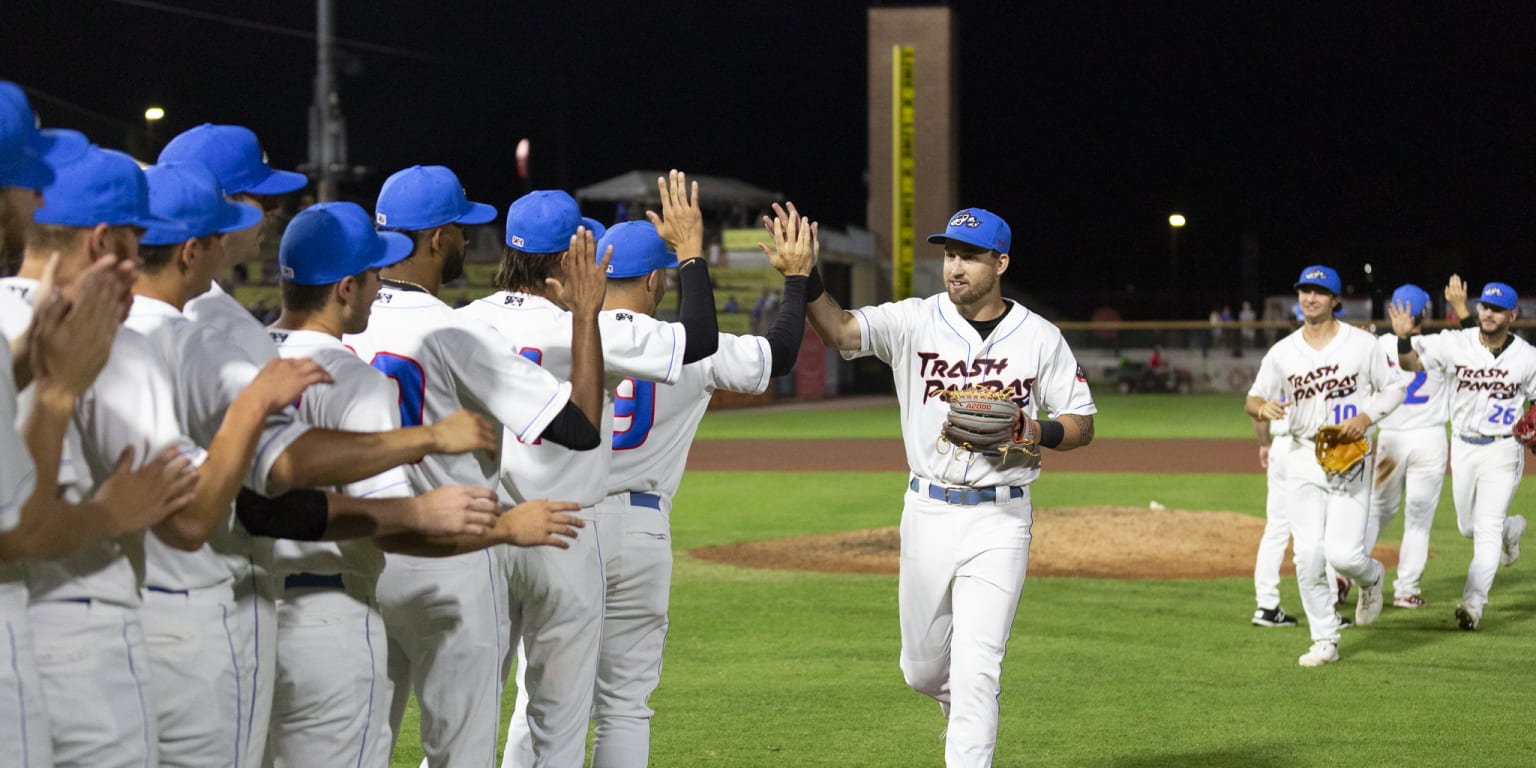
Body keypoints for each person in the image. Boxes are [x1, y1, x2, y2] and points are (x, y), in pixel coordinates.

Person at [264, 201, 584, 767]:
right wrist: (504, 526)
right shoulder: (407, 352)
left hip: (262, 598)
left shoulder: (242, 356)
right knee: (455, 750)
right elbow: (576, 426)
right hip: (416, 559)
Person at [805, 205, 1095, 767]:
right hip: (928, 513)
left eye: (970, 256)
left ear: (1001, 262)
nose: (955, 267)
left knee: (977, 667)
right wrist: (805, 277)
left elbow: (1083, 424)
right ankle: (967, 703)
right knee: (922, 670)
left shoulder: (1040, 337)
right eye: (950, 254)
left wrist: (1033, 429)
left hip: (1000, 517)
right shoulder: (913, 320)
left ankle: (972, 713)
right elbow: (838, 328)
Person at [348, 164, 606, 766]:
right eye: (460, 229)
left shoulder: (347, 320)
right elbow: (580, 427)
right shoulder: (450, 329)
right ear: (436, 240)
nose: (467, 240)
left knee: (361, 746)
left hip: (360, 552)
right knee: (457, 753)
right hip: (450, 557)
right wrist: (587, 313)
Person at [473, 175, 718, 768]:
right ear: (567, 258)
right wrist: (689, 253)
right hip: (563, 532)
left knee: (467, 709)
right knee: (560, 718)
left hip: (484, 532)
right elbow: (701, 340)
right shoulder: (591, 328)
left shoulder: (464, 321)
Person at [570, 198, 813, 768]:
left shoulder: (564, 336)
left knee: (546, 697)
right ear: (656, 281)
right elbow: (779, 354)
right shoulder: (688, 347)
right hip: (642, 531)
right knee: (626, 706)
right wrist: (797, 280)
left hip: (568, 520)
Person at [156, 122, 307, 768]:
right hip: (220, 586)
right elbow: (284, 469)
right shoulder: (215, 323)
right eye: (258, 199)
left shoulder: (112, 311)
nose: (272, 215)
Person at [1246, 265, 1406, 667]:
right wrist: (1262, 407)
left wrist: (1366, 419)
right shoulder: (1282, 352)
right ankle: (1325, 639)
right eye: (1304, 290)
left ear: (1336, 300)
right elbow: (1253, 399)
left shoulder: (1361, 344)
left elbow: (1395, 388)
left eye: (1319, 292)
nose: (1309, 298)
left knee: (1346, 555)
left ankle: (1371, 578)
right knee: (1308, 556)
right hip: (1302, 457)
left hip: (1350, 456)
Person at [1390, 277, 1535, 631]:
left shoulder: (1528, 358)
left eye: (1498, 309)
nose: (1488, 313)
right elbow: (1410, 364)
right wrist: (1403, 337)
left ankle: (1473, 604)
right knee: (1468, 526)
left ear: (1512, 316)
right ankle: (1511, 528)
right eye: (1485, 306)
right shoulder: (1454, 343)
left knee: (1484, 531)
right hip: (1465, 447)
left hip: (1504, 449)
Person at [1365, 284, 1450, 610]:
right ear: (1425, 313)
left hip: (1391, 439)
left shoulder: (1376, 346)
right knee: (1418, 520)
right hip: (1429, 439)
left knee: (1376, 511)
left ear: (1392, 311)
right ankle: (1406, 590)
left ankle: (1346, 576)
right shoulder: (1440, 345)